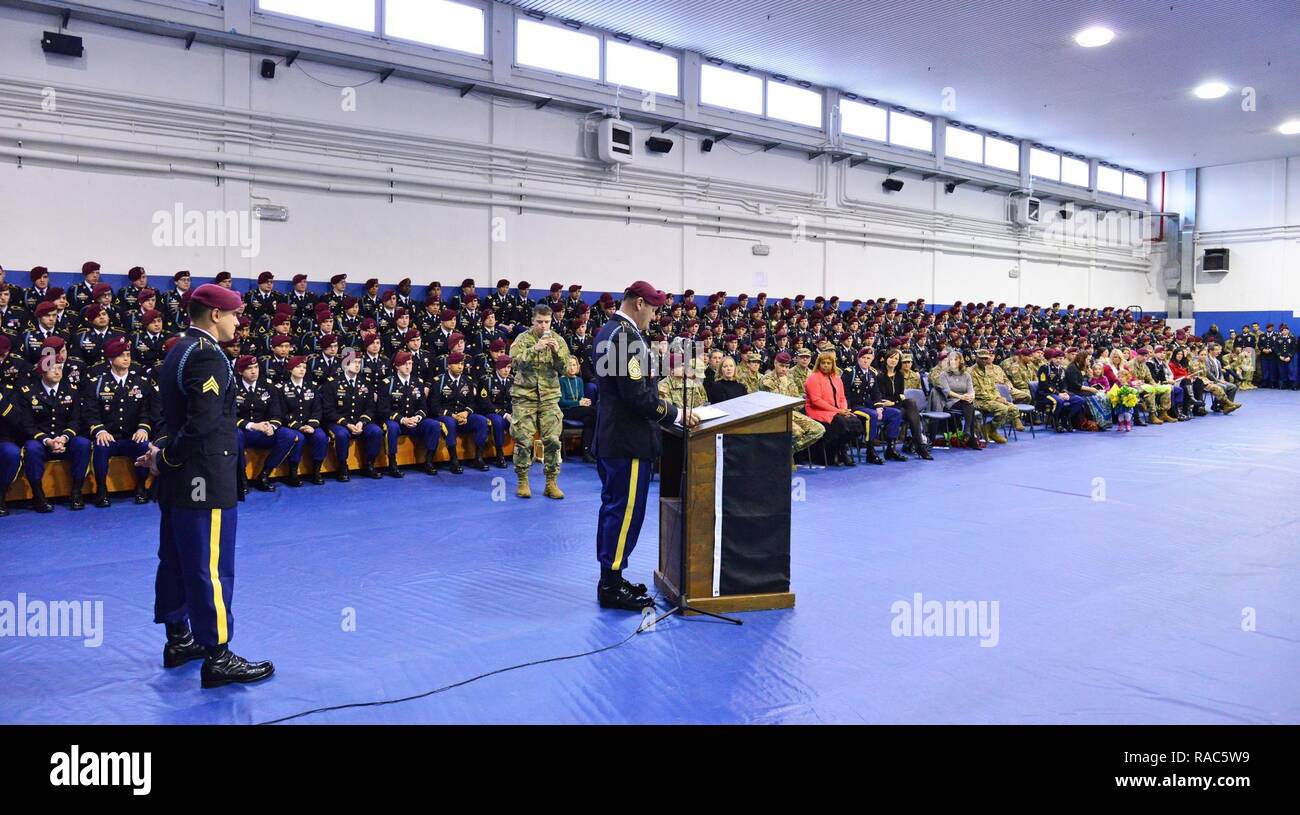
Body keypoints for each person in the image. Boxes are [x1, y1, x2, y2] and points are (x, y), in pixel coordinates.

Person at [137, 283, 274, 688]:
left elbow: (174, 418)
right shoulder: (207, 357)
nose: (238, 322)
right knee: (210, 567)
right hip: (203, 477)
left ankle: (180, 639)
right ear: (215, 314)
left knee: (177, 558)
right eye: (234, 315)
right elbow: (202, 424)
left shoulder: (178, 349)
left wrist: (162, 454)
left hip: (183, 480)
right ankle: (217, 654)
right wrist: (168, 457)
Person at [591, 281, 696, 611]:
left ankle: (614, 575)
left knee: (617, 509)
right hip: (627, 440)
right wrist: (675, 414)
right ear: (638, 303)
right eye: (652, 308)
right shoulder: (623, 337)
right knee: (624, 513)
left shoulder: (613, 330)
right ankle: (610, 585)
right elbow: (636, 396)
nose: (654, 315)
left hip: (619, 437)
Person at [84, 337, 157, 507]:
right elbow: (90, 413)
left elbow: (146, 412)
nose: (126, 358)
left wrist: (143, 428)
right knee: (100, 447)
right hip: (109, 435)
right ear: (110, 359)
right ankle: (102, 489)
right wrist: (100, 430)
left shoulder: (141, 382)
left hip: (131, 435)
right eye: (121, 355)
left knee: (143, 445)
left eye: (128, 354)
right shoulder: (97, 383)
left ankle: (140, 488)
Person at [509, 304, 570, 498]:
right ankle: (522, 480)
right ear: (533, 321)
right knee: (523, 441)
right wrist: (535, 348)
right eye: (540, 322)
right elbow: (514, 363)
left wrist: (556, 351)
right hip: (524, 397)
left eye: (547, 322)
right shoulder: (522, 339)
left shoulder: (558, 340)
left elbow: (565, 368)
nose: (544, 326)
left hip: (549, 397)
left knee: (552, 440)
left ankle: (551, 482)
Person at [21, 355, 92, 511]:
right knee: (31, 448)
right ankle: (38, 496)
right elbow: (27, 425)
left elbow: (76, 421)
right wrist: (48, 441)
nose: (57, 371)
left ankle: (76, 492)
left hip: (63, 439)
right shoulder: (29, 392)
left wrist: (64, 438)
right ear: (42, 372)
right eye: (52, 368)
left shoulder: (71, 391)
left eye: (59, 368)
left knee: (83, 444)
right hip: (41, 441)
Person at [233, 355, 297, 495]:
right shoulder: (233, 387)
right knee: (234, 435)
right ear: (240, 371)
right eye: (249, 368)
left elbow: (277, 413)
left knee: (288, 435)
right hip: (244, 431)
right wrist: (251, 425)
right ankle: (241, 478)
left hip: (264, 431)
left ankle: (265, 474)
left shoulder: (268, 386)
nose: (254, 371)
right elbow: (229, 416)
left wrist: (272, 427)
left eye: (256, 367)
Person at [758, 351, 827, 462]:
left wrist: (805, 399)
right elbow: (777, 402)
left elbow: (795, 399)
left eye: (786, 367)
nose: (784, 369)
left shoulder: (789, 378)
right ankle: (784, 456)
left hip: (791, 413)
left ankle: (789, 450)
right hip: (774, 415)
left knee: (818, 429)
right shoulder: (767, 379)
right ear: (775, 363)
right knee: (797, 432)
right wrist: (784, 384)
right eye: (782, 366)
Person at [804, 350, 862, 466]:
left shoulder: (836, 378)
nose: (826, 365)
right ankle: (835, 453)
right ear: (818, 364)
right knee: (841, 423)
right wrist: (838, 411)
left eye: (828, 363)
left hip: (837, 411)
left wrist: (844, 409)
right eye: (823, 363)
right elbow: (816, 401)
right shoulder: (813, 378)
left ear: (832, 364)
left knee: (855, 422)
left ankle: (842, 451)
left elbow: (842, 397)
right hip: (817, 411)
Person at [876, 348, 932, 460]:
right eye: (891, 357)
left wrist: (894, 401)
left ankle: (918, 443)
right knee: (908, 411)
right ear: (886, 359)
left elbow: (901, 395)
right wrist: (895, 400)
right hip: (884, 407)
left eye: (896, 358)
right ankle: (919, 446)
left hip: (895, 404)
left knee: (911, 402)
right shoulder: (880, 376)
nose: (893, 360)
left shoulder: (899, 376)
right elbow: (882, 397)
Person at [933, 351, 982, 447]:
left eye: (956, 359)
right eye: (951, 359)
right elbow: (947, 392)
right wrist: (961, 397)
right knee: (969, 406)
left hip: (965, 401)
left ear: (960, 361)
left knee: (969, 405)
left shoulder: (966, 375)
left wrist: (971, 396)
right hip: (950, 402)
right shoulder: (944, 375)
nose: (953, 362)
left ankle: (968, 432)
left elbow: (971, 390)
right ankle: (969, 435)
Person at [558, 354, 597, 462]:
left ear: (578, 367)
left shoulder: (579, 380)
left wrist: (584, 401)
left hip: (578, 410)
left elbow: (580, 398)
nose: (572, 367)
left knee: (590, 419)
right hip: (566, 411)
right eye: (569, 365)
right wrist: (578, 403)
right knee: (594, 412)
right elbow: (561, 402)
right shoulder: (561, 380)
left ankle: (586, 451)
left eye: (574, 365)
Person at [1036, 349, 1084, 432]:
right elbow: (1044, 385)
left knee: (1079, 400)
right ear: (1052, 358)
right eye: (1056, 358)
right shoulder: (1045, 368)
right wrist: (1058, 393)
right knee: (1058, 401)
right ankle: (1056, 422)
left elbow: (1064, 383)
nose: (1058, 360)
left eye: (1061, 358)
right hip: (1045, 394)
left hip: (1059, 393)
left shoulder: (1062, 370)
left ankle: (1065, 418)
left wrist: (1065, 392)